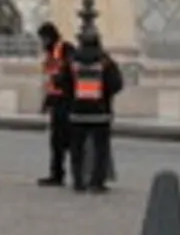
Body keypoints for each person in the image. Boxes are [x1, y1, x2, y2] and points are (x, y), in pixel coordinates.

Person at [68, 26, 125, 194]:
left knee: (77, 150)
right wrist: (104, 95)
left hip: (77, 112)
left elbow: (63, 83)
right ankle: (96, 182)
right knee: (101, 150)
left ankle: (78, 181)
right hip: (100, 113)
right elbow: (116, 84)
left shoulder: (72, 61)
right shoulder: (106, 62)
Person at [35, 21, 76, 188]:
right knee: (56, 142)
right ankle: (57, 174)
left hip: (67, 102)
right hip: (57, 102)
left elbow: (70, 72)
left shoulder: (64, 49)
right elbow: (51, 80)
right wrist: (47, 102)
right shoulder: (51, 53)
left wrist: (62, 80)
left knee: (69, 140)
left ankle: (77, 174)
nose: (41, 43)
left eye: (42, 38)